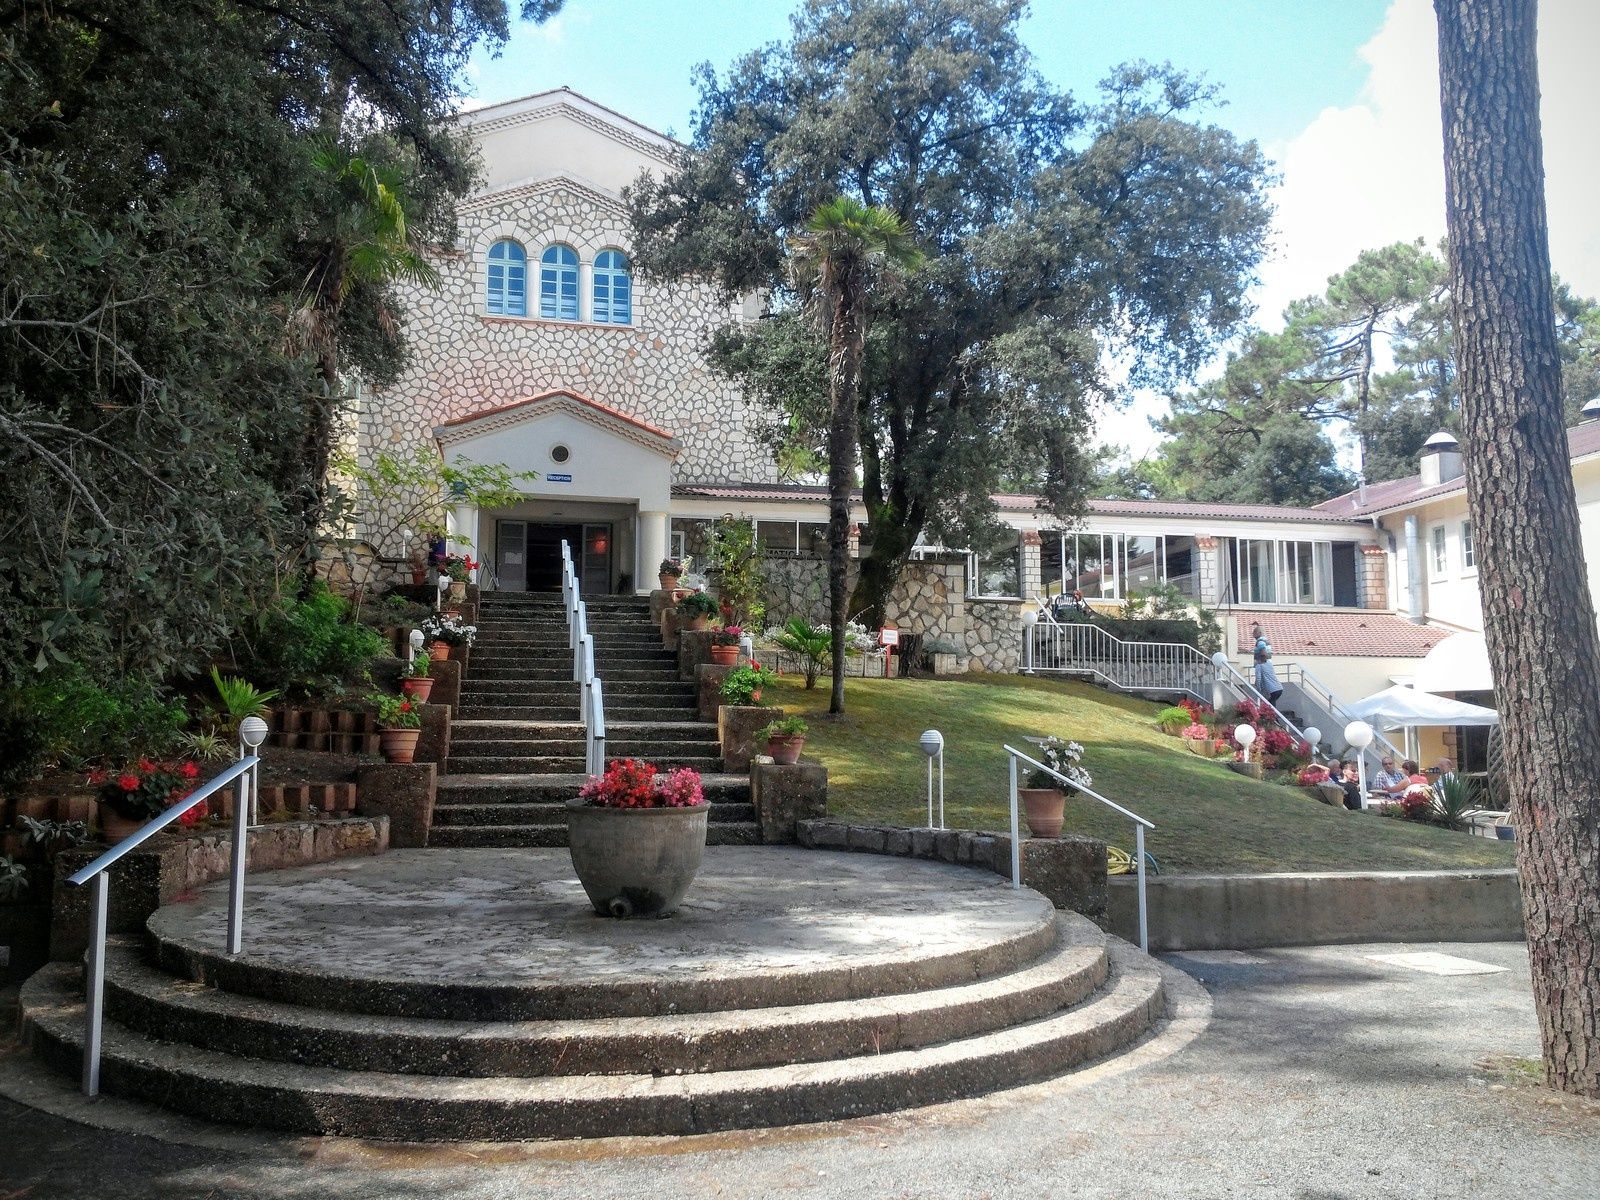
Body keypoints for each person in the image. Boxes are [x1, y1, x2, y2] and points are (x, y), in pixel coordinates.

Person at [1252, 625, 1285, 706]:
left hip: (1272, 690)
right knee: (1270, 703)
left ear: (1259, 633)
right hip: (1278, 688)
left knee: (1269, 705)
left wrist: (1258, 689)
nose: (1253, 635)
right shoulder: (1267, 641)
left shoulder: (1260, 641)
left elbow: (1263, 652)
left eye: (1254, 633)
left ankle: (1273, 717)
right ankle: (1273, 717)